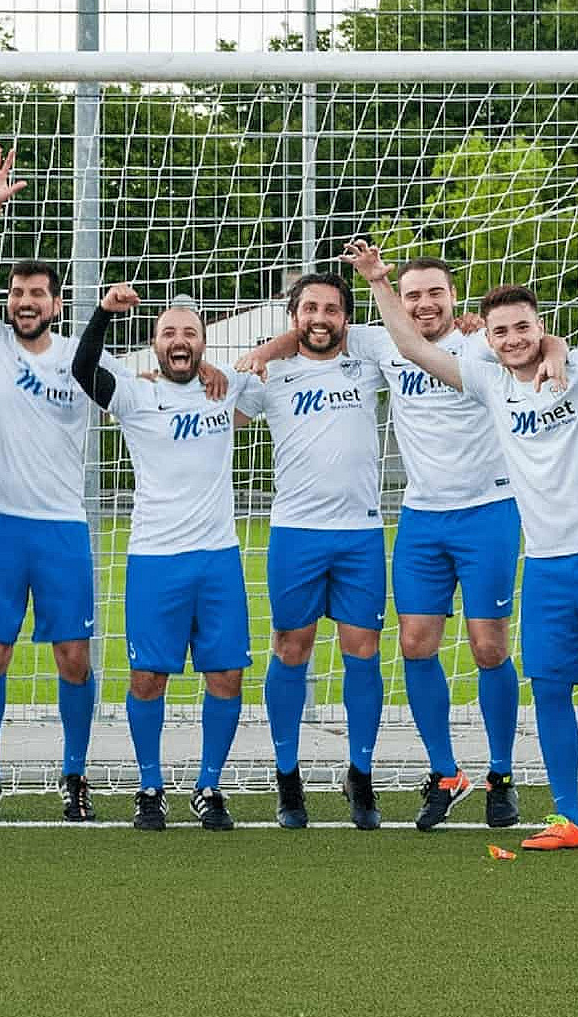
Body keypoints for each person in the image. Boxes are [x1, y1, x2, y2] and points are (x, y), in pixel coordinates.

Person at [348, 206, 578, 858]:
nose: (510, 338)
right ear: (490, 338)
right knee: (550, 690)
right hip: (549, 567)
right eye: (499, 329)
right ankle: (567, 817)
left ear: (540, 329)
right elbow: (412, 347)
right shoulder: (485, 381)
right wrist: (377, 281)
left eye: (521, 327)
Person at [239, 260, 558, 830]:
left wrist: (553, 351)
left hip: (487, 513)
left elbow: (537, 342)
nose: (424, 304)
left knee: (488, 648)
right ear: (398, 302)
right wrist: (265, 351)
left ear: (456, 299)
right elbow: (311, 326)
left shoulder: (481, 343)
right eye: (412, 295)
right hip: (418, 519)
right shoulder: (382, 342)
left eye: (437, 293)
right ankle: (445, 773)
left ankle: (501, 776)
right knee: (413, 643)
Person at [0, 144, 119, 822]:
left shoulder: (80, 360)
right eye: (17, 294)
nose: (24, 302)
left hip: (60, 527)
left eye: (36, 294)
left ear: (55, 303)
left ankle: (74, 775)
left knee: (73, 656)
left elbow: (136, 392)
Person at [73, 284, 261, 832]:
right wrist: (105, 314)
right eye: (169, 333)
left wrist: (251, 359)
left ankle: (208, 785)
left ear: (204, 343)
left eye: (190, 332)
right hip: (156, 560)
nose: (180, 341)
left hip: (219, 558)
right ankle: (150, 785)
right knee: (148, 677)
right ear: (154, 344)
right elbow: (86, 371)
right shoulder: (135, 394)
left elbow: (292, 344)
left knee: (226, 676)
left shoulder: (227, 391)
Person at [239, 272, 391, 830]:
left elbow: (412, 339)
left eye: (331, 308)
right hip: (296, 532)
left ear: (346, 317)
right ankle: (287, 775)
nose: (320, 318)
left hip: (361, 533)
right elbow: (219, 414)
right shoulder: (270, 374)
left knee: (363, 649)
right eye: (309, 308)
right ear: (294, 316)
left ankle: (361, 773)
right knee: (291, 648)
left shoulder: (368, 362)